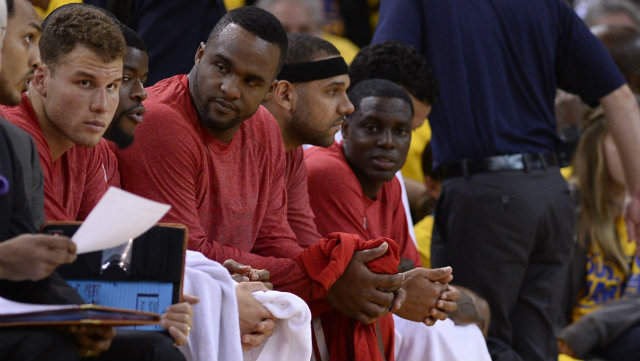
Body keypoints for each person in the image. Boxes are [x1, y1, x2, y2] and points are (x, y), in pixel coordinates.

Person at [113, 5, 406, 353]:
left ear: (270, 90)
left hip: (237, 287)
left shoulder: (264, 127)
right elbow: (188, 251)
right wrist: (324, 281)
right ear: (200, 54)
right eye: (221, 67)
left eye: (251, 81)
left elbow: (273, 239)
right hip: (169, 294)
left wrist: (343, 277)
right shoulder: (162, 122)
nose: (229, 88)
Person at [373, 0, 640, 360]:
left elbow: (383, 75)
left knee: (475, 337)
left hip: (484, 191)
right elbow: (621, 97)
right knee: (537, 347)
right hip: (551, 193)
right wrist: (637, 194)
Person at [2, 5, 192, 359]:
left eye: (112, 85)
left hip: (48, 305)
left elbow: (101, 253)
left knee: (165, 335)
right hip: (22, 314)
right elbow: (56, 261)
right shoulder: (14, 135)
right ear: (40, 78)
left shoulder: (90, 143)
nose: (102, 105)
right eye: (85, 84)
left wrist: (151, 305)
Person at [557, 114, 640, 360]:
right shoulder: (567, 209)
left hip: (619, 333)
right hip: (573, 345)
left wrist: (595, 325)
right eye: (624, 141)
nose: (634, 151)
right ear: (595, 147)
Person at [348, 40, 438, 224]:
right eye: (401, 128)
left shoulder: (388, 171)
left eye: (405, 130)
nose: (391, 142)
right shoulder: (317, 162)